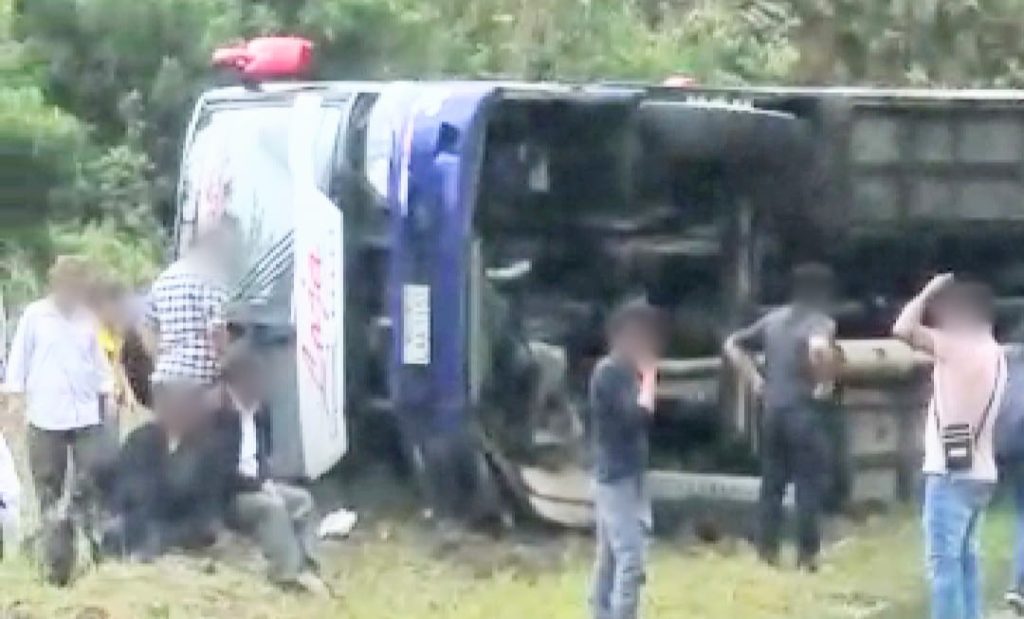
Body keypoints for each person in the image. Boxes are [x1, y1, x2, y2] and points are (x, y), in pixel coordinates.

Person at [892, 274, 1004, 619]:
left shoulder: (955, 345)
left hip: (949, 473)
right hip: (982, 471)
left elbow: (902, 329)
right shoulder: (996, 353)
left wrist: (927, 292)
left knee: (943, 566)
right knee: (967, 560)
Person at [724, 262, 837, 571]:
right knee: (807, 483)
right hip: (802, 410)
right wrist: (825, 383)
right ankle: (807, 555)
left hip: (772, 410)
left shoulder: (772, 319)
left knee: (772, 484)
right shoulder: (820, 321)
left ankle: (767, 551)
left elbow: (732, 344)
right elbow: (819, 350)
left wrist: (754, 379)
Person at [2, 256, 115, 544]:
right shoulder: (35, 316)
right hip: (46, 414)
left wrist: (109, 393)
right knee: (47, 484)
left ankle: (89, 540)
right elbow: (18, 360)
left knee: (89, 481)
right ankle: (52, 547)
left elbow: (99, 363)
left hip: (85, 413)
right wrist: (14, 400)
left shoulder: (87, 319)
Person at [213, 340, 328, 596]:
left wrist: (266, 481)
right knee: (272, 508)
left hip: (256, 484)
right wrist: (260, 486)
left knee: (302, 500)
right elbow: (221, 475)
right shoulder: (220, 418)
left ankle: (308, 563)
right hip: (231, 496)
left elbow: (261, 458)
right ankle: (286, 574)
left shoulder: (258, 413)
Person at [588, 298, 660, 619]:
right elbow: (638, 417)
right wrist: (650, 378)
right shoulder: (609, 373)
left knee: (609, 556)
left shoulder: (623, 371)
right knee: (631, 556)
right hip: (615, 477)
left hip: (627, 473)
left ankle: (600, 612)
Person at [106, 393, 225, 561]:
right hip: (137, 524)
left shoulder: (206, 449)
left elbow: (206, 513)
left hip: (178, 531)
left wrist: (166, 536)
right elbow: (123, 492)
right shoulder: (140, 439)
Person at [141, 226, 232, 425]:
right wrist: (226, 370)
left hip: (165, 384)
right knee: (205, 442)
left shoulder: (165, 277)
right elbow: (217, 331)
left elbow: (146, 326)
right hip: (199, 388)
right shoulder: (213, 277)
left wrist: (161, 359)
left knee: (173, 442)